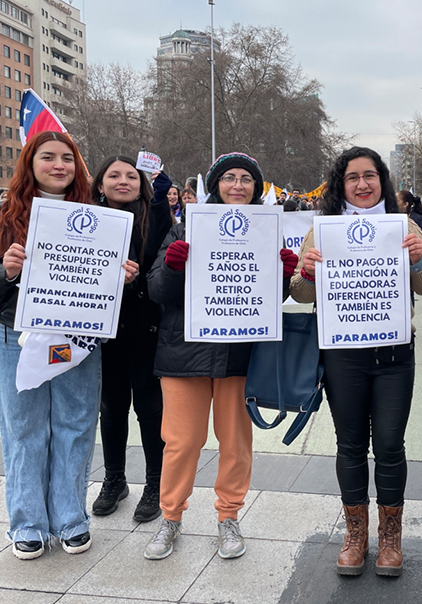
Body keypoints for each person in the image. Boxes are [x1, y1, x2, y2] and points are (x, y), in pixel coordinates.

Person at [0, 131, 135, 560]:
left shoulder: (98, 217)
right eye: (48, 157)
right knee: (24, 428)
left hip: (79, 336)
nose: (58, 165)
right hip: (18, 334)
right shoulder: (1, 214)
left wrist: (121, 277)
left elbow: (102, 276)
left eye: (67, 158)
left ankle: (71, 519)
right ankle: (28, 523)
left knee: (76, 424)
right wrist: (4, 271)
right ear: (30, 164)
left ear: (77, 166)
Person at [290, 147, 422, 577]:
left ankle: (390, 535)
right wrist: (307, 272)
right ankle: (355, 533)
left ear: (382, 180)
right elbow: (299, 292)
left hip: (394, 356)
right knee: (351, 444)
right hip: (343, 355)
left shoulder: (403, 225)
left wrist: (417, 259)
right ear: (341, 184)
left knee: (390, 444)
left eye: (369, 175)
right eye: (352, 177)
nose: (362, 184)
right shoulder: (323, 230)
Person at [144, 152, 297, 561]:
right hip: (184, 353)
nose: (238, 185)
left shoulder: (267, 231)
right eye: (229, 177)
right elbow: (157, 290)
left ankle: (228, 516)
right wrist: (174, 267)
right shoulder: (185, 228)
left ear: (256, 188)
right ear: (215, 185)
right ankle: (170, 516)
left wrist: (284, 276)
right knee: (181, 442)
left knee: (235, 442)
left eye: (246, 179)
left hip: (239, 355)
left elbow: (266, 298)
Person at [90, 157, 174, 522]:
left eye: (131, 176)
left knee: (150, 408)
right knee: (111, 407)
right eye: (114, 175)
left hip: (146, 326)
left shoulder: (155, 217)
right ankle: (114, 479)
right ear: (100, 184)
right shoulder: (88, 218)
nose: (123, 181)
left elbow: (162, 270)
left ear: (141, 184)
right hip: (105, 329)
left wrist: (136, 279)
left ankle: (155, 483)